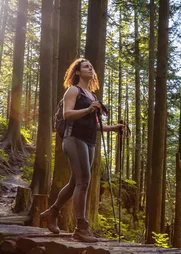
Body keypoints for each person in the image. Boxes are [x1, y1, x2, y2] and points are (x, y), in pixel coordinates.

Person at [40, 58, 126, 243]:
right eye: (86, 66)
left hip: (89, 141)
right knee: (84, 181)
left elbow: (93, 126)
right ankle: (81, 227)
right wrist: (88, 109)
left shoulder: (93, 96)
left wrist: (114, 128)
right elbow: (67, 114)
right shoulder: (73, 90)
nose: (90, 68)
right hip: (73, 138)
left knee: (75, 183)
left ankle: (51, 212)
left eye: (92, 66)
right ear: (78, 72)